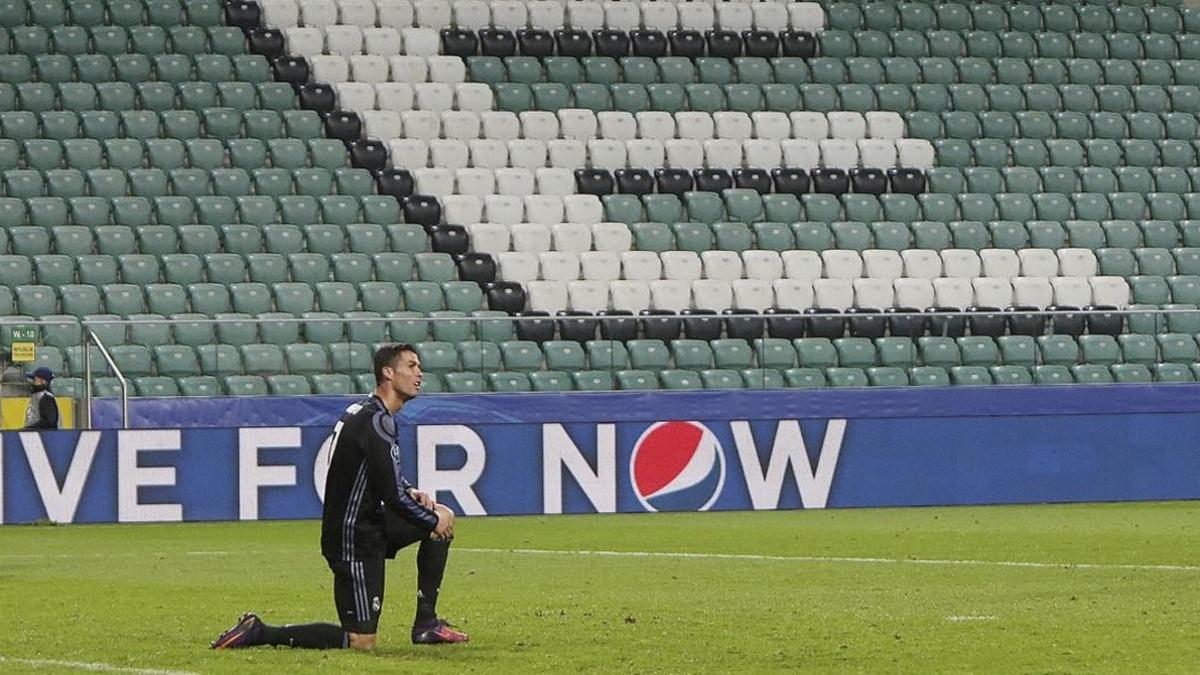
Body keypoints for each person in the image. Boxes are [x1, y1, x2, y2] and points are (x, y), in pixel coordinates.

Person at [211, 343, 468, 650]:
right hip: (353, 538)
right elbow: (391, 495)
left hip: (371, 523)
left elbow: (378, 472)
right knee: (360, 641)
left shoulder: (369, 412)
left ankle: (427, 625)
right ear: (388, 372)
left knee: (443, 514)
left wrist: (411, 490)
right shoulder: (376, 419)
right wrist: (428, 519)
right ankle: (261, 631)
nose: (419, 373)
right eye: (411, 366)